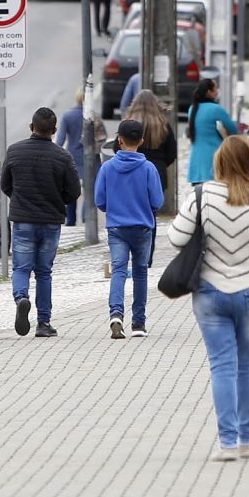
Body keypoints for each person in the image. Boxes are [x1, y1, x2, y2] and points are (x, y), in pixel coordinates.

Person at [167, 136, 249, 460]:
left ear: (219, 162)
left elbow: (176, 237)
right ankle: (248, 439)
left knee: (221, 365)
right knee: (248, 366)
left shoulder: (202, 195)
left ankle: (226, 443)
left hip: (210, 293)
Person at [1, 107, 81, 338]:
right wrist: (58, 201)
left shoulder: (14, 152)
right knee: (44, 272)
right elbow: (74, 191)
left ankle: (21, 297)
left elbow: (6, 184)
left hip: (23, 219)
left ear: (31, 127)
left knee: (21, 267)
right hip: (50, 220)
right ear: (55, 130)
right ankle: (43, 323)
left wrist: (19, 199)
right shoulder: (63, 157)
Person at [95, 117, 164, 339]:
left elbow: (100, 201)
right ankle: (139, 323)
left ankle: (116, 314)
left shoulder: (107, 168)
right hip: (142, 228)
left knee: (118, 270)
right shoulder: (148, 168)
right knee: (141, 273)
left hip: (117, 228)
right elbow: (157, 202)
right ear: (141, 140)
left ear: (119, 140)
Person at [185, 77, 238, 185]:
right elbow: (234, 130)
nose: (218, 92)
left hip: (196, 162)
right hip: (213, 160)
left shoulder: (192, 109)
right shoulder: (216, 109)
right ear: (209, 92)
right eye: (216, 89)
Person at [123, 89, 177, 193]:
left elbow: (117, 148)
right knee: (152, 208)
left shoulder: (128, 124)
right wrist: (161, 164)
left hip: (132, 172)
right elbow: (172, 153)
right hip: (157, 173)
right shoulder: (163, 125)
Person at [58, 90, 88, 227]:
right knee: (90, 189)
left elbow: (60, 140)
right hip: (89, 158)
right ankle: (87, 216)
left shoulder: (68, 116)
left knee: (71, 188)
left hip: (72, 157)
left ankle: (71, 220)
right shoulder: (93, 116)